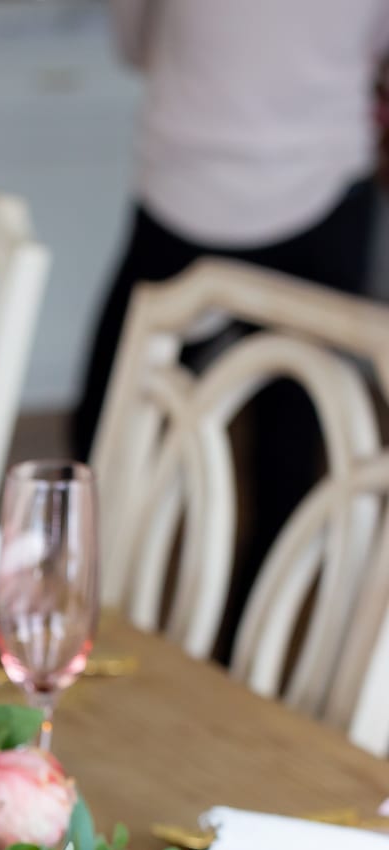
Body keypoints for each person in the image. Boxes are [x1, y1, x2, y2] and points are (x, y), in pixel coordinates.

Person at [73, 0, 389, 654]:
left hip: (188, 179)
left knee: (109, 432)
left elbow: (135, 44)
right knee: (288, 448)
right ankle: (244, 656)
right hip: (311, 185)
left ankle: (84, 621)